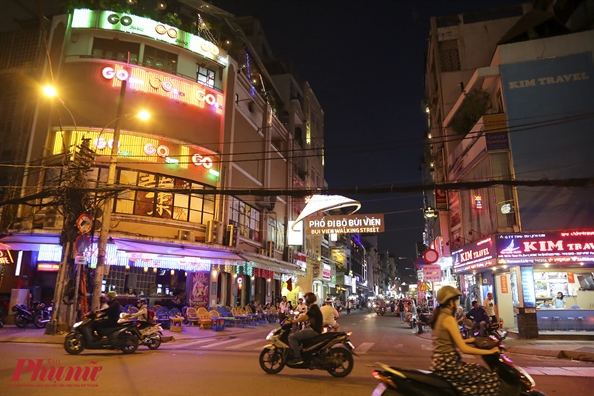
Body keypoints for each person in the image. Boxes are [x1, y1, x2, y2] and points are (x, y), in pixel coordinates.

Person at [429, 286, 500, 396]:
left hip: (441, 364)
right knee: (490, 379)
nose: (457, 303)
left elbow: (448, 341)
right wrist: (490, 352)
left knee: (478, 371)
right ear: (450, 302)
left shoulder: (441, 316)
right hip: (450, 365)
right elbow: (463, 349)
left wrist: (470, 340)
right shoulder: (448, 319)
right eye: (456, 300)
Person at [287, 292, 323, 365]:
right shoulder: (313, 308)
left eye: (305, 298)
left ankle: (297, 358)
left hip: (313, 331)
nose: (304, 300)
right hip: (313, 329)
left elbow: (305, 318)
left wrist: (293, 321)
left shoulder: (313, 308)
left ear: (308, 299)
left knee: (292, 337)